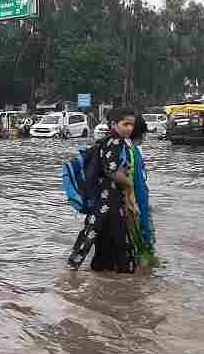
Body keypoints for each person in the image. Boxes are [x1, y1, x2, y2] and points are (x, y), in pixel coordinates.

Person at [67, 107, 140, 273]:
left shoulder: (108, 140)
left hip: (103, 198)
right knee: (111, 237)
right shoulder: (116, 141)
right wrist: (129, 184)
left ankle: (87, 271)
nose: (129, 128)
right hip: (108, 199)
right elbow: (112, 171)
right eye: (125, 124)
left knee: (100, 236)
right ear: (114, 124)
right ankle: (124, 274)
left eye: (131, 125)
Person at [126, 114, 156, 266]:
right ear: (143, 133)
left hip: (134, 203)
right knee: (142, 247)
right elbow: (136, 184)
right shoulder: (133, 153)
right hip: (136, 204)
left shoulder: (129, 150)